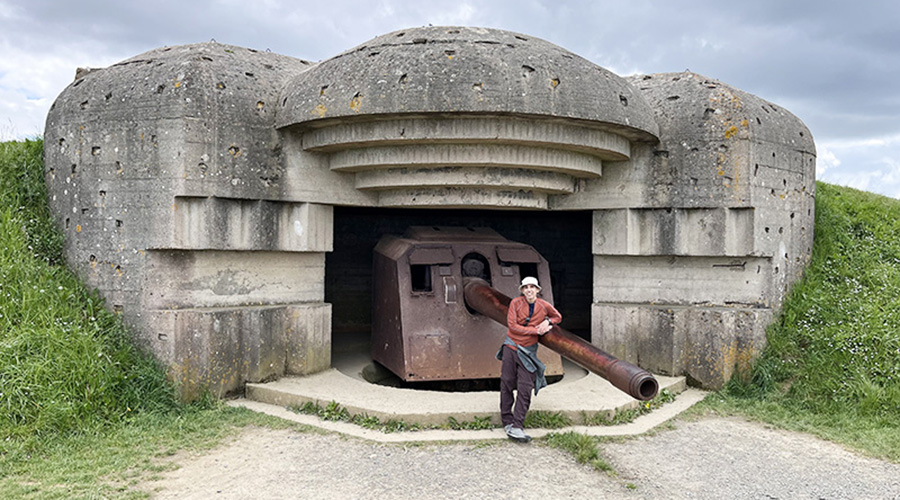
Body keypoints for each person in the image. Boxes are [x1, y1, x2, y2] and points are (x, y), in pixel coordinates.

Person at [496, 276, 562, 442]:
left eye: (532, 287)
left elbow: (558, 316)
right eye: (526, 287)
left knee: (525, 388)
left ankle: (517, 425)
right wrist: (536, 331)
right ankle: (507, 420)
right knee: (507, 383)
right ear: (522, 290)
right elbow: (513, 326)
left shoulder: (543, 305)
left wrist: (548, 322)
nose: (529, 290)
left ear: (538, 290)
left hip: (529, 352)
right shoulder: (515, 303)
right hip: (511, 348)